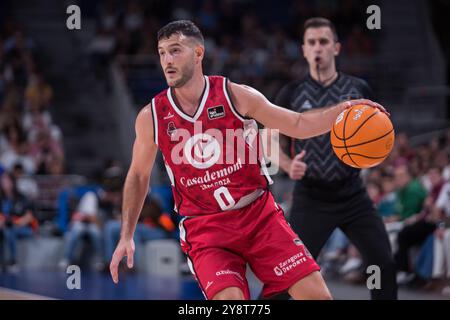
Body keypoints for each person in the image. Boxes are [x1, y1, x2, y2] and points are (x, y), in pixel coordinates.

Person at [109, 20, 386, 300]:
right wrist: (126, 234)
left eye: (176, 50)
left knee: (319, 298)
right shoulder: (151, 116)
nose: (167, 60)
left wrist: (342, 110)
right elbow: (138, 175)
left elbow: (298, 123)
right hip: (207, 228)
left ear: (198, 53)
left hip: (259, 216)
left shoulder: (235, 96)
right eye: (162, 52)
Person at [265, 18, 397, 300]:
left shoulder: (359, 89)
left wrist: (375, 162)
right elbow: (269, 138)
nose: (318, 48)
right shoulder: (291, 93)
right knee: (287, 274)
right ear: (303, 49)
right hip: (311, 197)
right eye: (311, 42)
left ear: (336, 48)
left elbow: (382, 134)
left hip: (353, 194)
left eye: (324, 41)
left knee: (383, 263)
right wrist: (288, 165)